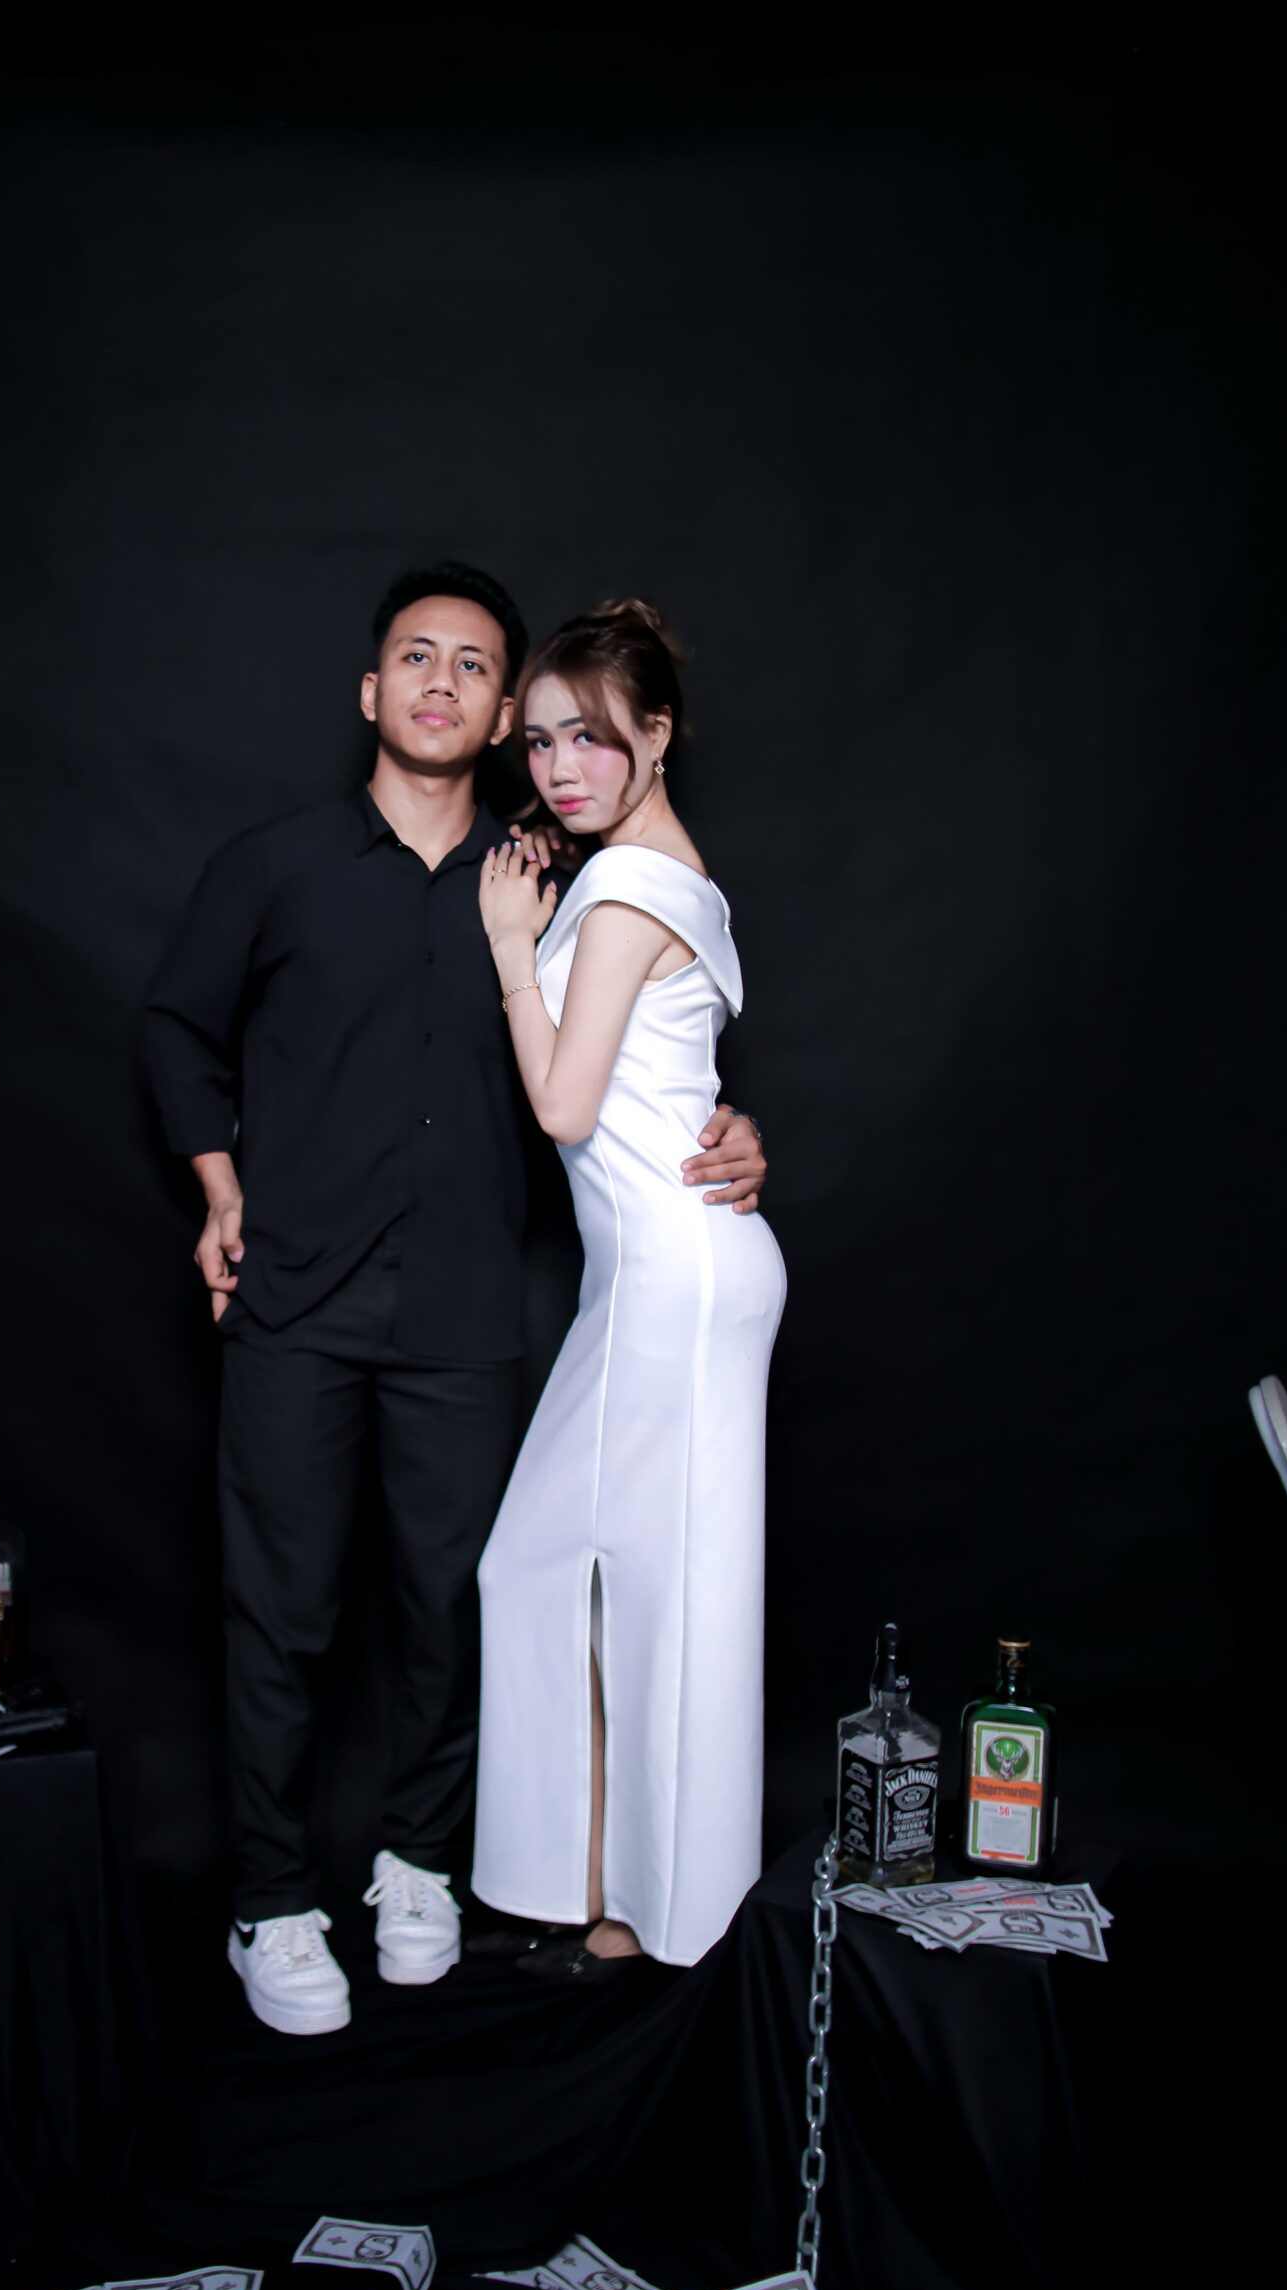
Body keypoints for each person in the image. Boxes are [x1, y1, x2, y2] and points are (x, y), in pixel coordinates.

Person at [145, 563, 768, 2035]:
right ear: (373, 691)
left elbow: (634, 1046)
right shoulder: (273, 866)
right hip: (296, 1300)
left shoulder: (548, 876)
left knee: (451, 1608)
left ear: (500, 718)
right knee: (281, 1614)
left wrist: (729, 1127)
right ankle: (271, 1899)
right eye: (414, 656)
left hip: (469, 1309)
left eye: (475, 665)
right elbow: (177, 1027)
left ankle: (420, 1865)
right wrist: (221, 1191)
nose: (441, 680)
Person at [471, 598, 786, 1979]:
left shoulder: (623, 891)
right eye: (540, 741)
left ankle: (663, 1919)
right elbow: (672, 1081)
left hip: (673, 1270)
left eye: (591, 738)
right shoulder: (668, 876)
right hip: (665, 1264)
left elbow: (563, 1105)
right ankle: (609, 1892)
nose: (559, 768)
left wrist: (507, 945)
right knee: (569, 1575)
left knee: (665, 1600)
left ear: (657, 735)